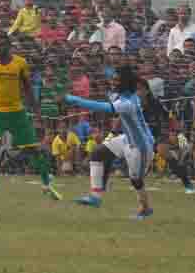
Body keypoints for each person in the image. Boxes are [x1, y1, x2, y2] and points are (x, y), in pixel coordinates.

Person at [65, 67, 155, 220]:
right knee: (98, 153)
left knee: (136, 180)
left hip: (140, 146)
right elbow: (105, 97)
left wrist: (74, 99)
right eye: (113, 79)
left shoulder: (128, 102)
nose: (112, 82)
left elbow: (104, 107)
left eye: (116, 80)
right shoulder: (121, 95)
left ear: (125, 83)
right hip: (127, 138)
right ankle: (95, 197)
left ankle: (145, 208)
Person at [0, 33, 61, 200]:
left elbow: (28, 88)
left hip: (17, 112)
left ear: (8, 46)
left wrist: (36, 111)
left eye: (1, 44)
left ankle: (47, 185)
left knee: (33, 149)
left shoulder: (20, 63)